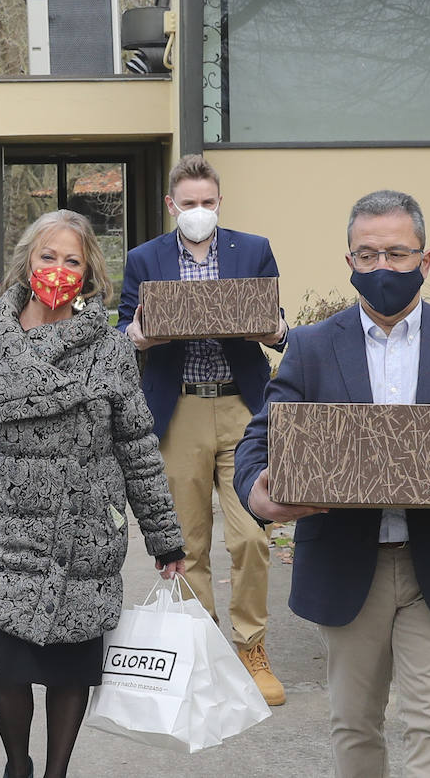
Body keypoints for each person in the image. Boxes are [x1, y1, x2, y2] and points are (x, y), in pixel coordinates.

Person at [234, 189, 430, 777]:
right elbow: (259, 442)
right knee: (354, 725)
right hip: (348, 565)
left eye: (397, 255)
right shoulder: (309, 346)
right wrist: (259, 492)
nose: (383, 268)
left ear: (425, 261)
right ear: (349, 262)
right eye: (368, 255)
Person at [0, 210, 185, 778]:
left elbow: (137, 446)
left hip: (81, 531)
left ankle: (56, 771)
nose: (58, 269)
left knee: (72, 668)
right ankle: (18, 763)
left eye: (72, 260)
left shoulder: (109, 349)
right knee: (9, 668)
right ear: (26, 262)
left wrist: (164, 538)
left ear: (88, 275)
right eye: (47, 256)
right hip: (3, 530)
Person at [116, 153, 289, 706]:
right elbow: (123, 331)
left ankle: (251, 647)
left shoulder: (253, 250)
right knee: (186, 542)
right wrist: (139, 335)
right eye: (188, 204)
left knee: (251, 536)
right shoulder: (145, 258)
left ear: (220, 201)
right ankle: (203, 648)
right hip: (179, 408)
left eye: (207, 203)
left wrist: (278, 328)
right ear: (172, 205)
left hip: (243, 410)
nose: (198, 211)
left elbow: (275, 324)